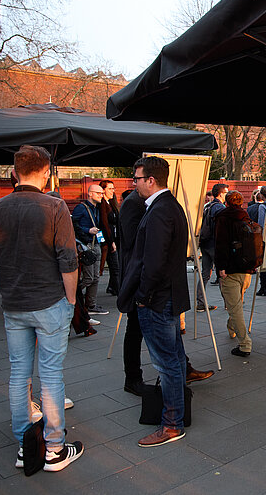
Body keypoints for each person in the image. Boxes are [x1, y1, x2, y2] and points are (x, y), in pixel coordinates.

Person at [0, 145, 83, 472]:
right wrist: (71, 300)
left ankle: (26, 445)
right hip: (50, 301)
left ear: (13, 172)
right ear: (47, 173)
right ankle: (53, 449)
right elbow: (68, 260)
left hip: (15, 304)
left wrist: (8, 287)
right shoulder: (55, 206)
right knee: (50, 376)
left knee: (18, 375)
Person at [118, 156, 191, 447]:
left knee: (167, 363)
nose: (133, 183)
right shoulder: (167, 206)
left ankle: (172, 423)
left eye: (136, 178)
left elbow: (154, 262)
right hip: (166, 298)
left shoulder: (161, 210)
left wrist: (144, 298)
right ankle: (175, 416)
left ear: (151, 180)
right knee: (172, 360)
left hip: (158, 301)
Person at [118, 183, 213, 397]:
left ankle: (182, 371)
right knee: (136, 330)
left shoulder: (159, 204)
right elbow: (136, 249)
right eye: (135, 178)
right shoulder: (134, 203)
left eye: (137, 178)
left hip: (155, 283)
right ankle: (133, 379)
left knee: (166, 336)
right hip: (141, 282)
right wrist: (142, 292)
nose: (135, 182)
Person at [215, 191, 255, 356]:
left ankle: (245, 344)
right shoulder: (245, 216)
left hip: (230, 269)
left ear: (226, 202)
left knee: (235, 307)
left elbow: (221, 244)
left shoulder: (223, 218)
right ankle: (232, 328)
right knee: (237, 303)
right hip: (246, 269)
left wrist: (221, 267)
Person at [72, 184, 108, 315]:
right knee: (89, 278)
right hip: (86, 246)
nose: (101, 196)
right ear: (90, 194)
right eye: (99, 193)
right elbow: (73, 226)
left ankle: (91, 305)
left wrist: (102, 242)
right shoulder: (81, 208)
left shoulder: (96, 209)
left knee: (96, 278)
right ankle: (73, 296)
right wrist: (87, 230)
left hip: (95, 245)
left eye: (102, 193)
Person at [196, 183, 227, 311]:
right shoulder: (219, 207)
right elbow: (221, 228)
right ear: (220, 193)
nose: (226, 195)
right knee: (222, 274)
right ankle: (228, 302)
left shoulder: (207, 206)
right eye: (225, 192)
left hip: (205, 242)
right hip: (215, 244)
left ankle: (200, 302)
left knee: (205, 274)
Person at [98, 180, 120, 296]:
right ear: (103, 190)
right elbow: (104, 224)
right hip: (107, 241)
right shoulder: (102, 204)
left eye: (113, 188)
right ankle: (117, 289)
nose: (113, 191)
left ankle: (112, 287)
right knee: (114, 266)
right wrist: (111, 241)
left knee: (115, 265)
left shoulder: (110, 203)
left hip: (113, 239)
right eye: (110, 189)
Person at [248, 186, 266, 297]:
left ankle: (263, 287)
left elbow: (262, 223)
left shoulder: (262, 207)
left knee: (264, 262)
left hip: (264, 237)